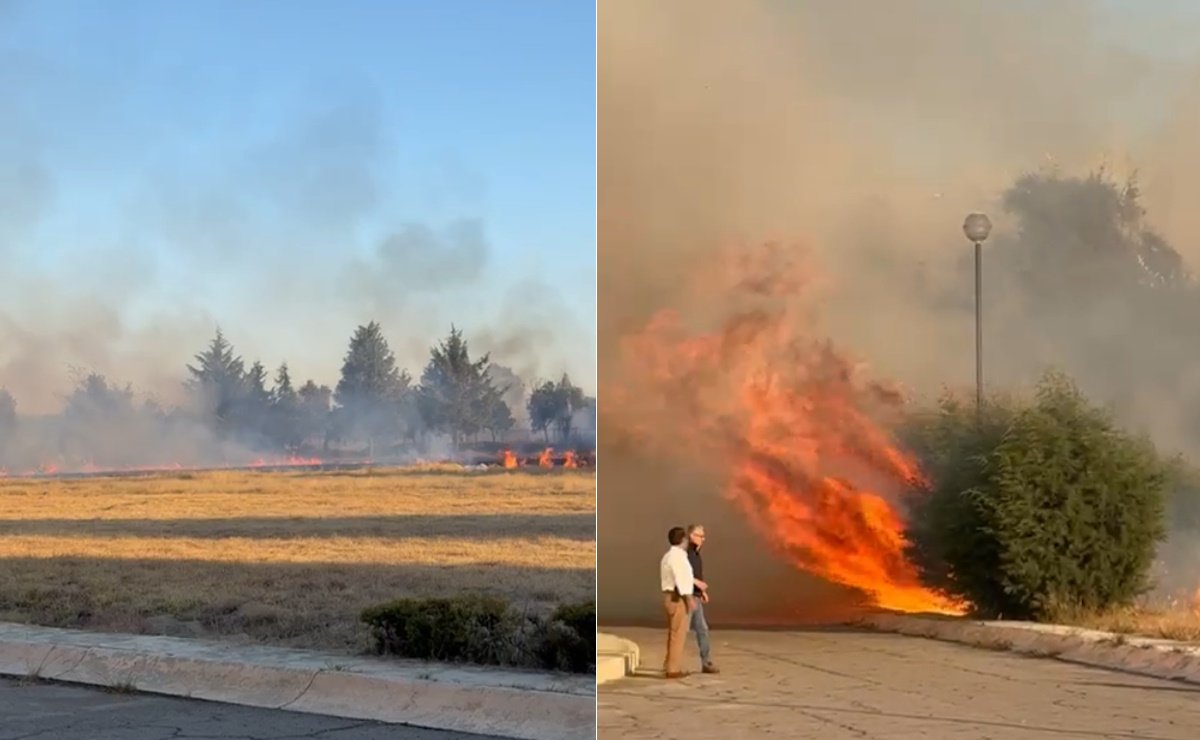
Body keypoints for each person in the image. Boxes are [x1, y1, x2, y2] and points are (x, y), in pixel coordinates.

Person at [659, 525, 694, 678]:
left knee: (673, 633)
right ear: (683, 540)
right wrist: (689, 598)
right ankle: (673, 669)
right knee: (678, 634)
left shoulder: (668, 556)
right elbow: (682, 578)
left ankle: (668, 664)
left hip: (669, 597)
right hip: (677, 597)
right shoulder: (678, 557)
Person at [686, 523, 718, 674]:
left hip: (695, 596)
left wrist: (701, 591)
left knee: (702, 629)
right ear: (691, 536)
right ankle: (672, 663)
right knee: (682, 630)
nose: (703, 539)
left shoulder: (696, 554)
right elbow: (682, 574)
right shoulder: (686, 553)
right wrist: (697, 584)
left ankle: (706, 662)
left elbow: (696, 574)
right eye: (700, 536)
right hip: (687, 596)